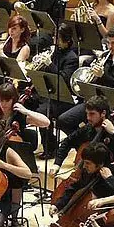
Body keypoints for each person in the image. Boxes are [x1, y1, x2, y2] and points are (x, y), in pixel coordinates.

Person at [56, 27, 114, 136]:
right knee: (64, 120)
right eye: (108, 43)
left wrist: (103, 76)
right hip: (98, 102)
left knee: (105, 132)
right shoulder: (106, 56)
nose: (110, 47)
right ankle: (82, 145)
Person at [51, 95, 114, 176]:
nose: (88, 118)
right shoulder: (88, 128)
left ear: (103, 113)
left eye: (92, 114)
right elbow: (67, 141)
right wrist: (57, 164)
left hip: (112, 175)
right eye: (87, 113)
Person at [36, 23, 79, 158]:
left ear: (67, 40)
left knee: (42, 113)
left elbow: (64, 80)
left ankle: (51, 147)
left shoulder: (72, 58)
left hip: (63, 98)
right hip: (49, 93)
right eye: (54, 37)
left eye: (58, 38)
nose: (54, 41)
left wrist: (49, 64)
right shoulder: (54, 52)